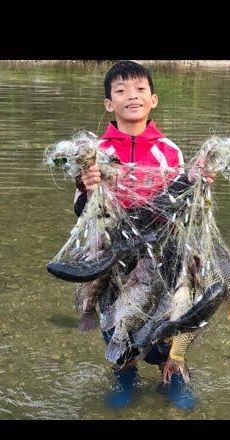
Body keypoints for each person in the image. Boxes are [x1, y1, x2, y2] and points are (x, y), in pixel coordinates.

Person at [74, 60, 215, 410]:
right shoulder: (97, 153)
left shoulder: (168, 150)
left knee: (173, 314)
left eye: (139, 90)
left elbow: (184, 208)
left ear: (153, 99)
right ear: (109, 103)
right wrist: (87, 187)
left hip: (162, 252)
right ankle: (124, 374)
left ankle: (175, 372)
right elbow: (81, 211)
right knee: (116, 318)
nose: (131, 96)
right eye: (120, 91)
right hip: (113, 253)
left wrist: (198, 185)